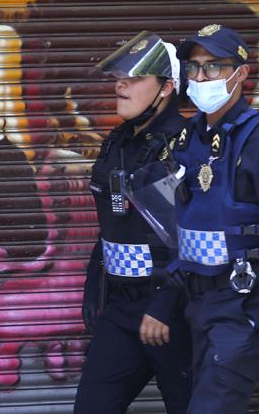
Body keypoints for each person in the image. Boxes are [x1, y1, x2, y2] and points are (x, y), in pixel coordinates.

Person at [167, 24, 259, 413]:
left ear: (241, 73)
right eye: (193, 68)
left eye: (213, 67)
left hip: (242, 306)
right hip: (197, 305)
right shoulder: (190, 137)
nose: (200, 77)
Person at [74, 31, 192, 414]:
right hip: (122, 311)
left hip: (173, 314)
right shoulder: (119, 142)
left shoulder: (182, 146)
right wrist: (96, 287)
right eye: (119, 76)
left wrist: (163, 306)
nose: (121, 84)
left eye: (136, 77)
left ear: (166, 88)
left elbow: (191, 241)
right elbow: (111, 222)